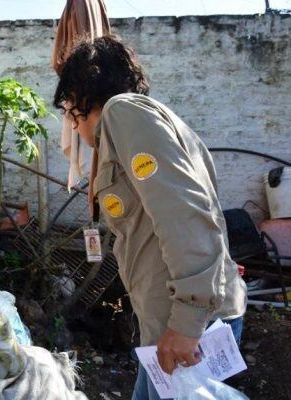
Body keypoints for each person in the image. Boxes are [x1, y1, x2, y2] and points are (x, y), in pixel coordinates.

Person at [53, 35, 247, 400]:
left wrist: (187, 322)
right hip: (175, 324)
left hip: (188, 327)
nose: (70, 120)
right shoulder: (143, 121)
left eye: (68, 106)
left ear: (80, 93)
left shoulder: (124, 113)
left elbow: (183, 213)